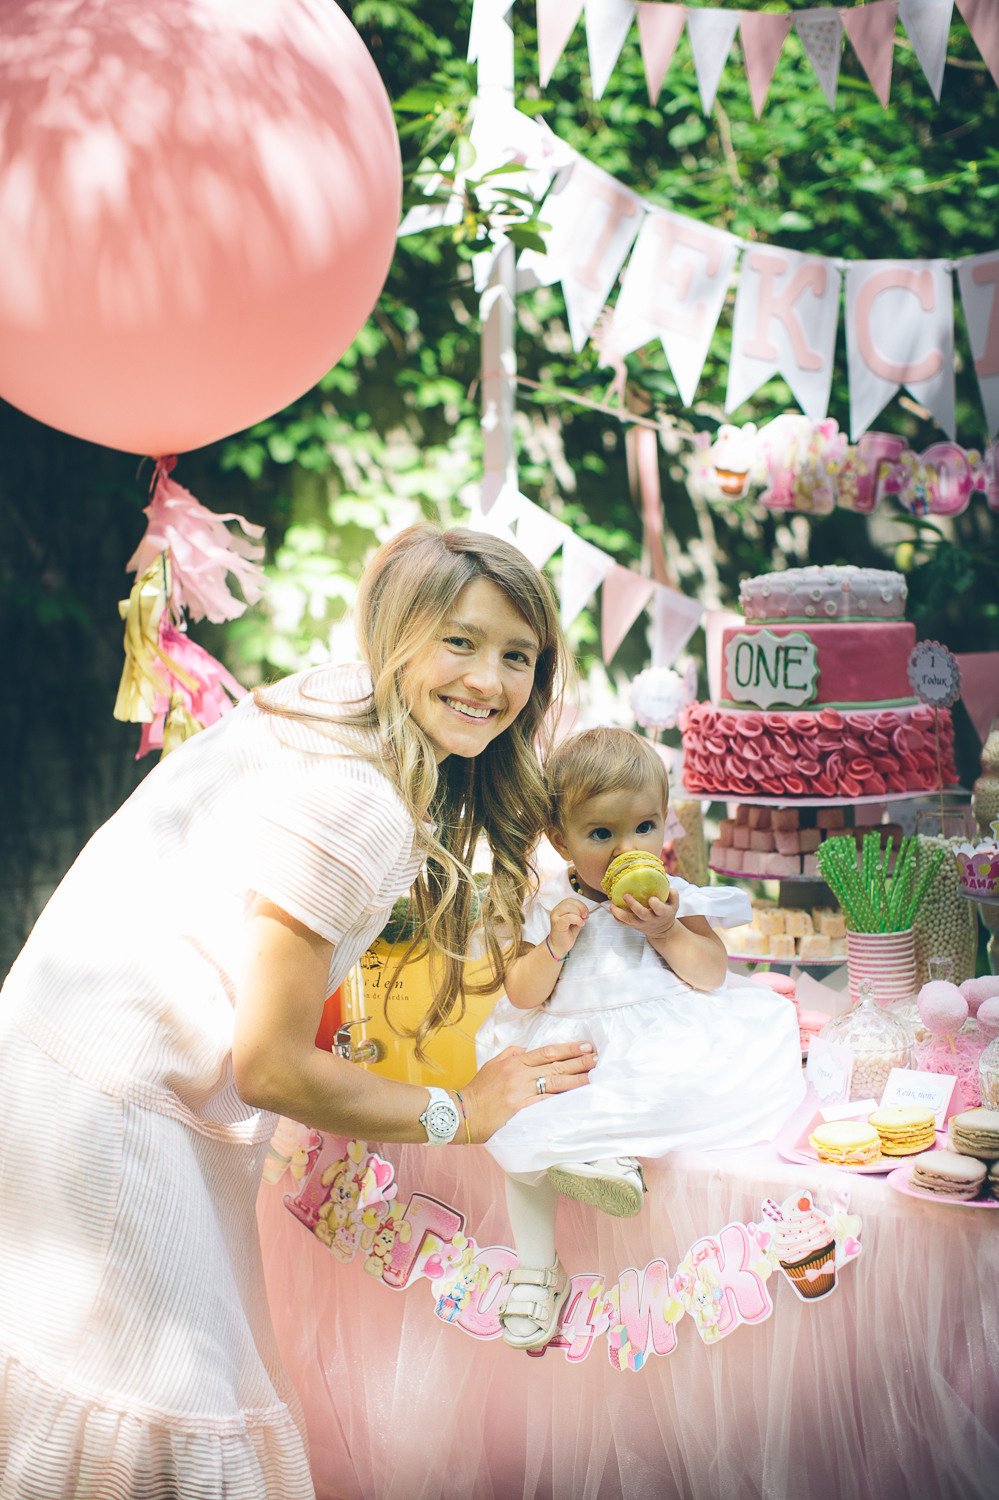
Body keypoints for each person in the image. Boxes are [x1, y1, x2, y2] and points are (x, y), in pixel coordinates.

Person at [0, 523, 596, 1498]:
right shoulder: (359, 800)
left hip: (50, 1047)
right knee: (158, 1425)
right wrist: (460, 1110)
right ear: (400, 633)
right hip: (113, 1109)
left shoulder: (335, 694)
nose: (489, 681)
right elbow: (270, 1066)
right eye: (459, 641)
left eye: (517, 654)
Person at [475, 726, 805, 1351]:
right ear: (559, 839)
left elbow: (710, 975)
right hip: (576, 1048)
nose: (629, 847)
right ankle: (536, 1265)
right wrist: (554, 945)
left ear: (665, 825)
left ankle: (609, 1155)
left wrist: (667, 931)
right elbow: (522, 994)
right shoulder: (547, 903)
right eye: (602, 834)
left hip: (658, 1038)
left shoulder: (674, 897)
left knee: (679, 1084)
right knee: (517, 1116)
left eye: (645, 828)